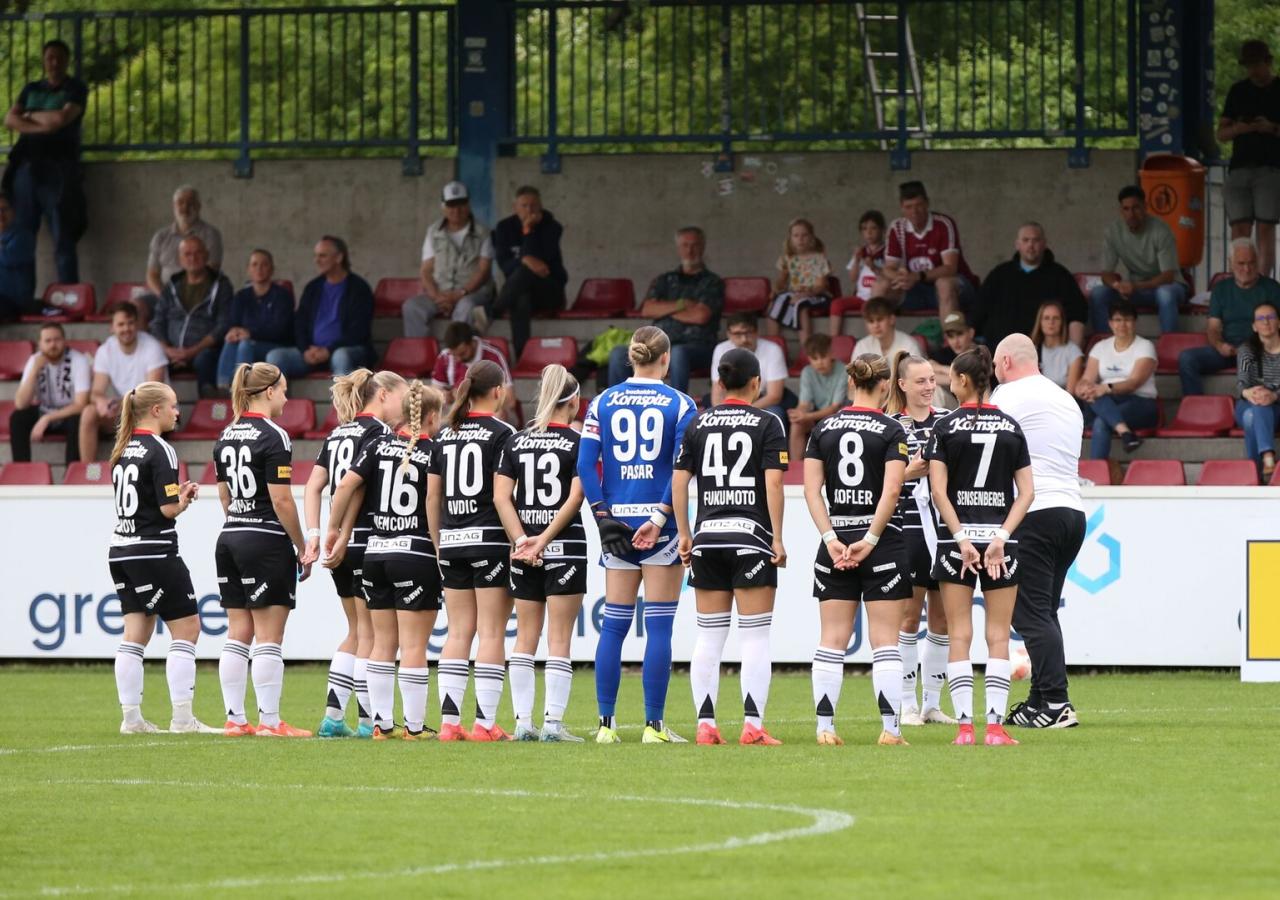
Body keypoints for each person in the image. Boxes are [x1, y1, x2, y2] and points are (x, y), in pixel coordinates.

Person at [578, 326, 697, 744]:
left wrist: (602, 517)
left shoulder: (602, 402)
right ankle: (654, 726)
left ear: (630, 358)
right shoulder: (681, 404)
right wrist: (662, 518)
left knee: (613, 626)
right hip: (657, 523)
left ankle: (606, 726)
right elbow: (682, 469)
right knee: (660, 627)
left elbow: (585, 465)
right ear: (666, 359)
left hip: (617, 524)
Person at [674, 348, 788, 746]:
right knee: (755, 637)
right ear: (757, 383)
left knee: (709, 636)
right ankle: (752, 726)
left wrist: (685, 533)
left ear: (720, 384)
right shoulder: (767, 422)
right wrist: (776, 536)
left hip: (707, 537)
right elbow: (774, 484)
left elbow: (678, 481)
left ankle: (706, 725)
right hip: (750, 537)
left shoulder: (699, 423)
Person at [926, 346, 1035, 746]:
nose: (948, 383)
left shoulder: (944, 427)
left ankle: (965, 729)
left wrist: (961, 539)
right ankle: (994, 728)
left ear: (963, 381)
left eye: (952, 377)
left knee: (958, 635)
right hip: (1001, 545)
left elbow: (939, 491)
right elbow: (1027, 493)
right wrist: (1001, 538)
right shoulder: (1010, 426)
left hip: (957, 541)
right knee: (998, 636)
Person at [804, 353, 913, 747]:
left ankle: (825, 728)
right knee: (886, 640)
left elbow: (811, 490)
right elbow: (893, 490)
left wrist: (831, 537)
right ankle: (890, 729)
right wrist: (869, 539)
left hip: (835, 542)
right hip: (880, 543)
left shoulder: (823, 428)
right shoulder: (891, 429)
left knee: (831, 638)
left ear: (851, 383)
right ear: (886, 385)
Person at [324, 381, 444, 740]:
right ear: (432, 417)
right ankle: (415, 727)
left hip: (374, 553)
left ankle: (380, 724)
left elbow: (345, 486)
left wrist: (334, 530)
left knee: (380, 643)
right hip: (414, 553)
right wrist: (439, 551)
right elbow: (432, 505)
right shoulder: (434, 451)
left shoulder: (376, 445)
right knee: (413, 646)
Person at [303, 369, 407, 738]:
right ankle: (369, 720)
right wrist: (340, 531)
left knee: (355, 630)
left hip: (339, 545)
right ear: (382, 395)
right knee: (373, 635)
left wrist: (314, 534)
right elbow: (356, 487)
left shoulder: (337, 432)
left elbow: (314, 486)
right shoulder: (379, 434)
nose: (406, 404)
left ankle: (334, 716)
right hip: (363, 540)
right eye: (402, 396)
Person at [106, 381, 215, 734]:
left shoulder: (123, 449)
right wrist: (184, 500)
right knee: (187, 628)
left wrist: (173, 498)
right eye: (172, 405)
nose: (177, 411)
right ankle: (183, 719)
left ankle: (131, 719)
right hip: (153, 550)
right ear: (155, 410)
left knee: (135, 633)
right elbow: (167, 509)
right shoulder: (161, 449)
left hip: (121, 549)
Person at [992, 334, 1087, 728]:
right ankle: (1040, 698)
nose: (995, 371)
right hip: (1071, 511)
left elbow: (980, 436)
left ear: (1007, 362)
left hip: (1035, 511)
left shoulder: (1009, 395)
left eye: (997, 364)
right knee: (1044, 612)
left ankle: (1056, 703)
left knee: (1030, 615)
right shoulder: (1065, 398)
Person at [213, 362, 312, 738]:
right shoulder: (274, 436)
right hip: (265, 538)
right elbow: (282, 499)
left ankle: (236, 719)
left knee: (237, 632)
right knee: (270, 636)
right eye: (284, 390)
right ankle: (270, 721)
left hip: (230, 536)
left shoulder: (225, 435)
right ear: (268, 391)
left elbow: (224, 494)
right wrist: (301, 546)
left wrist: (239, 522)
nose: (287, 397)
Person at [493, 364, 588, 742]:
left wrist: (522, 541)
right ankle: (552, 724)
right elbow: (576, 495)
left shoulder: (515, 441)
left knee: (525, 637)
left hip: (523, 550)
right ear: (575, 400)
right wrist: (545, 539)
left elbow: (501, 496)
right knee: (560, 638)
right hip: (564, 546)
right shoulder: (578, 442)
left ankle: (522, 723)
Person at [429, 360, 517, 742]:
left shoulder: (446, 435)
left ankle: (449, 723)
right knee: (492, 631)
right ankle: (484, 723)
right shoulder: (503, 433)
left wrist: (438, 542)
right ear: (497, 391)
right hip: (490, 541)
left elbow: (432, 495)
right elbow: (503, 496)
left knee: (458, 631)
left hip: (451, 541)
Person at [885, 351, 954, 727]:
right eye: (922, 381)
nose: (929, 387)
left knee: (941, 619)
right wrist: (910, 471)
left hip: (943, 531)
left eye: (932, 380)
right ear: (902, 385)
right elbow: (884, 482)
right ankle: (907, 703)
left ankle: (932, 703)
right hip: (907, 528)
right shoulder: (891, 426)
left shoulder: (947, 421)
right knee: (909, 618)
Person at [4, 39, 86, 284]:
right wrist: (41, 124)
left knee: (63, 236)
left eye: (59, 57)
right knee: (23, 235)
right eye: (50, 57)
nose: (54, 62)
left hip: (58, 168)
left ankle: (70, 296)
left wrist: (28, 118)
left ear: (67, 60)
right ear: (44, 60)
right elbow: (9, 119)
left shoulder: (75, 88)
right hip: (25, 168)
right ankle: (23, 298)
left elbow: (61, 119)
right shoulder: (30, 89)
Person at [605, 226, 724, 391]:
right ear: (678, 248)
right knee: (619, 353)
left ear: (702, 247)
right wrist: (682, 305)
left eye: (694, 245)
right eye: (685, 245)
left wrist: (665, 310)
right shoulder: (665, 280)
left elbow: (700, 316)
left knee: (678, 353)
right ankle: (618, 405)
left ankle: (676, 408)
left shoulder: (712, 281)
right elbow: (647, 309)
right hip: (657, 345)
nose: (690, 250)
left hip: (698, 346)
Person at [1179, 239, 1280, 396]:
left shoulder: (1272, 288)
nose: (1246, 268)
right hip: (1229, 351)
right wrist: (1220, 346)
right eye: (1241, 263)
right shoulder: (1221, 289)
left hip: (1261, 352)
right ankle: (1195, 409)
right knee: (1187, 358)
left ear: (1258, 262)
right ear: (1230, 264)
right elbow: (1213, 327)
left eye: (1251, 263)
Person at [267, 236, 375, 378]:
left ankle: (341, 400)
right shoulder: (313, 287)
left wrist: (329, 350)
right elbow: (300, 323)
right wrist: (305, 349)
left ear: (339, 258)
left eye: (322, 256)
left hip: (346, 351)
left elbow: (358, 331)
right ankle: (279, 400)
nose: (316, 260)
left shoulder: (359, 288)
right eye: (316, 256)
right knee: (275, 356)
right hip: (312, 353)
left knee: (340, 356)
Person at [1217, 40, 1280, 277]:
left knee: (1265, 227)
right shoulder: (1238, 91)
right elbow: (1221, 134)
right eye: (1249, 66)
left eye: (1257, 65)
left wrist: (1271, 128)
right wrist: (1239, 129)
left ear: (1268, 62)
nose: (1253, 71)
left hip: (1270, 168)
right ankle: (1239, 278)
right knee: (1239, 228)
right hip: (1239, 168)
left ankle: (1262, 281)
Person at [1089, 185, 1188, 334]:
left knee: (1165, 294)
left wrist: (1136, 286)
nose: (1131, 214)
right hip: (1135, 290)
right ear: (1121, 211)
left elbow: (1168, 276)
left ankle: (1169, 345)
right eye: (1126, 209)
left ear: (1145, 207)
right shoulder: (1113, 231)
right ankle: (1104, 346)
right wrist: (1117, 286)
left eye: (1136, 208)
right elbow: (1106, 274)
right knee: (1098, 294)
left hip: (1169, 287)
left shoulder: (1161, 230)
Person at [972, 222, 1087, 349]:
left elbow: (1077, 314)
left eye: (1036, 240)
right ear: (1017, 244)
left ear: (1044, 244)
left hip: (1043, 353)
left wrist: (1073, 354)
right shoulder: (999, 274)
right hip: (999, 351)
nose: (1031, 245)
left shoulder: (1060, 276)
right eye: (1025, 240)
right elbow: (979, 309)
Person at [402, 181, 494, 338]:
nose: (456, 210)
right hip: (440, 292)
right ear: (443, 207)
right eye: (451, 205)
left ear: (468, 205)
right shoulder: (433, 232)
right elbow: (426, 271)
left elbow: (483, 270)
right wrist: (437, 297)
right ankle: (420, 355)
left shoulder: (483, 232)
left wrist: (460, 294)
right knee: (412, 307)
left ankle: (457, 355)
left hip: (471, 293)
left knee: (466, 306)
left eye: (461, 204)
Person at [79, 303, 169, 461]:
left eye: (130, 323)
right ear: (112, 327)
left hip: (155, 412)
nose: (126, 328)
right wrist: (101, 402)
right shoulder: (105, 350)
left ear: (137, 324)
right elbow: (95, 392)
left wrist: (121, 404)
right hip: (125, 410)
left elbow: (152, 394)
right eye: (120, 324)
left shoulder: (152, 347)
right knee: (89, 412)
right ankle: (87, 473)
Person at [875, 181, 978, 318]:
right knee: (880, 286)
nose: (914, 212)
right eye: (908, 207)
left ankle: (950, 338)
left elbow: (950, 268)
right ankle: (878, 338)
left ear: (927, 203)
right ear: (901, 207)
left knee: (944, 284)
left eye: (919, 205)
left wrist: (918, 276)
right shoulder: (897, 227)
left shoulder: (943, 224)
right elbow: (888, 268)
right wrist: (902, 278)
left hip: (955, 288)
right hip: (915, 289)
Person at [149, 235, 234, 397]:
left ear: (207, 256)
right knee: (151, 360)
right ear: (180, 259)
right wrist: (167, 349)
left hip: (204, 350)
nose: (193, 258)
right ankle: (156, 417)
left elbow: (223, 324)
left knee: (206, 361)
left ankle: (212, 415)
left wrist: (193, 351)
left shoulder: (221, 285)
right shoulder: (172, 285)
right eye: (187, 254)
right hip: (171, 352)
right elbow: (157, 321)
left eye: (198, 253)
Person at [1075, 299, 1159, 459]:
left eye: (1127, 320)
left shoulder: (1145, 346)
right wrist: (1082, 388)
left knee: (1101, 421)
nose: (1122, 324)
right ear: (1110, 323)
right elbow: (1087, 379)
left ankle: (1096, 475)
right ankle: (1126, 433)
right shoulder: (1100, 347)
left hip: (1141, 403)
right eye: (1118, 320)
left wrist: (1105, 388)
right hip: (1108, 402)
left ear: (1135, 322)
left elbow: (1134, 383)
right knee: (1094, 397)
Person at [493, 185, 567, 359]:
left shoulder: (552, 227)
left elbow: (543, 268)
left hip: (550, 290)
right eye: (524, 206)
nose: (529, 210)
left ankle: (493, 310)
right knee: (521, 294)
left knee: (525, 274)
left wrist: (528, 231)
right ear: (515, 208)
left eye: (533, 205)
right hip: (519, 292)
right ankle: (522, 356)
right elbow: (505, 266)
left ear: (540, 206)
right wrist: (524, 260)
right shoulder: (504, 228)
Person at [216, 249, 295, 393]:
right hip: (246, 344)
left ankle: (244, 389)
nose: (259, 268)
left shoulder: (282, 296)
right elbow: (233, 322)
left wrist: (250, 333)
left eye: (264, 265)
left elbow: (280, 330)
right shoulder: (241, 296)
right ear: (248, 269)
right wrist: (233, 331)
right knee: (231, 340)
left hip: (275, 345)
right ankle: (222, 387)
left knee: (246, 344)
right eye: (254, 264)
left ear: (272, 269)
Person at [10, 322, 90, 464]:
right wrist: (34, 371)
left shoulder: (79, 360)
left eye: (57, 339)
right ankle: (21, 473)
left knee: (78, 420)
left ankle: (71, 475)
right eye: (48, 341)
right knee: (18, 418)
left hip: (69, 413)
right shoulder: (35, 360)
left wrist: (47, 418)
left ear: (64, 341)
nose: (53, 345)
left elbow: (81, 404)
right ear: (40, 344)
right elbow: (20, 404)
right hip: (44, 410)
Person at [144, 185, 223, 300]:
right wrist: (164, 296)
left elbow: (212, 271)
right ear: (173, 206)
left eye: (190, 203)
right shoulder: (160, 236)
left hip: (196, 294)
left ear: (198, 207)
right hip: (163, 294)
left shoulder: (211, 234)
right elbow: (152, 275)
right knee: (137, 306)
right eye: (180, 203)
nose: (185, 208)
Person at [710, 313, 791, 424]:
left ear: (757, 332)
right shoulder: (721, 349)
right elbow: (717, 393)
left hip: (762, 399)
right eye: (737, 334)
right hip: (731, 399)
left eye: (748, 333)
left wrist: (742, 411)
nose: (744, 339)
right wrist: (724, 413)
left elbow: (774, 396)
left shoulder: (773, 349)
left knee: (775, 414)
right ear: (728, 334)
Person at [431, 321, 518, 422]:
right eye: (454, 355)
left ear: (471, 343)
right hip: (457, 409)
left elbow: (510, 399)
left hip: (487, 408)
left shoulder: (493, 356)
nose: (458, 359)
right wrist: (445, 395)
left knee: (498, 414)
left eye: (462, 354)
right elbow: (434, 393)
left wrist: (474, 396)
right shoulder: (445, 356)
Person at [765, 218, 831, 347]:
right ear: (790, 238)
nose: (800, 239)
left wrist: (806, 294)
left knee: (801, 306)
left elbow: (821, 286)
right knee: (774, 304)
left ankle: (806, 350)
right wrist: (775, 289)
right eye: (796, 236)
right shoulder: (788, 258)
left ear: (811, 237)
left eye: (804, 235)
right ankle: (774, 346)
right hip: (794, 293)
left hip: (817, 295)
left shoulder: (819, 258)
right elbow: (782, 281)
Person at [787, 333, 850, 464]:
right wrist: (798, 414)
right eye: (814, 358)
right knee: (796, 424)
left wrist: (806, 416)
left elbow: (834, 408)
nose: (819, 362)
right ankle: (795, 466)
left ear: (831, 353)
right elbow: (804, 403)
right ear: (809, 358)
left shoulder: (843, 370)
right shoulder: (807, 372)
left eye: (823, 357)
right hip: (817, 415)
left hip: (839, 417)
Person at [1235, 302, 1280, 481]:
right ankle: (1267, 459)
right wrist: (1250, 394)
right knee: (1254, 410)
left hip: (1277, 406)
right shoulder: (1247, 350)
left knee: (1252, 418)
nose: (1266, 322)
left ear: (1279, 322)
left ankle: (1255, 472)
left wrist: (1274, 395)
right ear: (1254, 326)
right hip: (1248, 402)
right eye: (1260, 319)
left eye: (1270, 317)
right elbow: (1241, 384)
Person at [829, 210, 887, 337]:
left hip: (876, 298)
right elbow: (853, 278)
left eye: (873, 228)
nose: (869, 232)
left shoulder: (888, 251)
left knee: (869, 309)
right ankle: (834, 341)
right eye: (865, 229)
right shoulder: (861, 252)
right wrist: (856, 259)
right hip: (860, 297)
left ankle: (873, 338)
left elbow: (889, 278)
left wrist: (874, 267)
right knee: (836, 304)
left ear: (882, 230)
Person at [854, 298, 919, 378]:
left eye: (880, 319)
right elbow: (854, 382)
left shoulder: (909, 344)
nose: (876, 325)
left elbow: (916, 380)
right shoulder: (862, 346)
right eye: (871, 321)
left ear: (892, 319)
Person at [1031, 301, 1085, 394]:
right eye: (1046, 318)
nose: (1051, 322)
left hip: (1060, 405)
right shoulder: (1031, 350)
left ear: (1062, 323)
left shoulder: (1073, 351)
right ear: (1040, 322)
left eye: (1056, 318)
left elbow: (1070, 393)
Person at [0, 190, 36, 320]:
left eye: (4, 209)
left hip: (15, 303)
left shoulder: (23, 236)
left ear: (13, 212)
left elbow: (7, 258)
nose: (1, 215)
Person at [929, 311, 977, 399]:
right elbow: (928, 374)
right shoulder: (943, 353)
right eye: (951, 336)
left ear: (971, 333)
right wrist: (958, 379)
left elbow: (973, 376)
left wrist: (940, 368)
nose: (955, 341)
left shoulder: (982, 352)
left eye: (959, 334)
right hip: (955, 405)